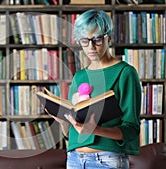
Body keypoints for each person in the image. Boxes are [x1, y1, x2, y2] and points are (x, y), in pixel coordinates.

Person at [48, 9, 141, 169]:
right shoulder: (80, 76)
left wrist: (96, 130)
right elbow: (72, 133)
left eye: (97, 39)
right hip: (75, 159)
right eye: (84, 40)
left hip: (106, 160)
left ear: (109, 38)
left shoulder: (125, 72)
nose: (90, 46)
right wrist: (64, 122)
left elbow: (131, 128)